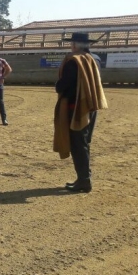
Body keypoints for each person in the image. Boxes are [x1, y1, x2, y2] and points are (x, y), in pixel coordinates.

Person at [54, 32, 107, 193]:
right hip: (90, 105)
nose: (71, 46)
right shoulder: (95, 59)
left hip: (76, 108)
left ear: (75, 45)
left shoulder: (73, 61)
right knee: (84, 143)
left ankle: (84, 180)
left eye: (71, 43)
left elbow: (63, 85)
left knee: (78, 144)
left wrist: (58, 86)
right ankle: (84, 177)